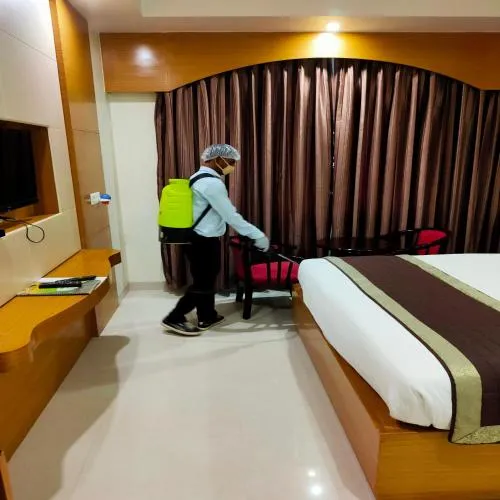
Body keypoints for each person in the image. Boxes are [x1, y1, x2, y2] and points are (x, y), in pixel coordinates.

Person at [162, 144, 270, 336]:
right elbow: (230, 216)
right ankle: (175, 317)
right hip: (203, 240)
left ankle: (207, 315)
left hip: (196, 237)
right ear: (216, 159)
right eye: (230, 162)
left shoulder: (196, 177)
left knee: (205, 278)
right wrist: (257, 235)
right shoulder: (212, 184)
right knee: (203, 281)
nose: (232, 167)